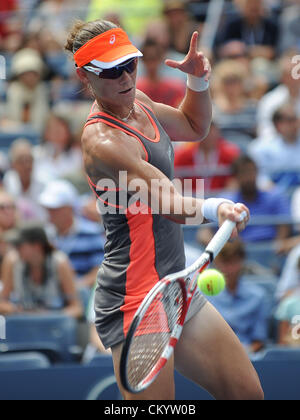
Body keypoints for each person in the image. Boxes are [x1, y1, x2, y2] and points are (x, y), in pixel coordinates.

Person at [65, 19, 263, 400]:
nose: (125, 77)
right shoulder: (102, 141)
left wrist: (198, 82)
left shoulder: (137, 102)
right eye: (110, 70)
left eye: (129, 64)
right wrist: (214, 205)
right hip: (136, 298)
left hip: (176, 284)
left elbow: (193, 124)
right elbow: (168, 203)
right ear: (84, 75)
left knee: (247, 395)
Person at [0, 224, 82, 318]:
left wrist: (48, 317)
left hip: (54, 327)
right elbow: (2, 303)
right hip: (23, 324)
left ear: (37, 246)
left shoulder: (60, 263)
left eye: (19, 245)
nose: (16, 249)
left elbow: (76, 308)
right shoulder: (12, 263)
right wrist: (18, 310)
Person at [38, 180, 105, 293]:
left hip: (82, 294)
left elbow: (99, 272)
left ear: (69, 208)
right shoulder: (45, 234)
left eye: (55, 209)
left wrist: (73, 287)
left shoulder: (92, 233)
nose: (50, 213)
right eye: (48, 209)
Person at [209, 241, 269, 353]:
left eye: (234, 262)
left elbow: (259, 340)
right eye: (225, 262)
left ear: (242, 261)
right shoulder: (203, 297)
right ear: (216, 263)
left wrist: (242, 354)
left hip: (247, 356)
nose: (230, 269)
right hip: (211, 355)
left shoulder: (257, 296)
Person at [174, 121, 240, 193]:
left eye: (213, 133)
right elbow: (175, 179)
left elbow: (236, 180)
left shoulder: (230, 155)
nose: (210, 137)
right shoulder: (183, 155)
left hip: (220, 199)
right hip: (191, 199)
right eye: (207, 134)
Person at [249, 104, 300, 188]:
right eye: (290, 120)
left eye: (296, 119)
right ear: (277, 125)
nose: (296, 123)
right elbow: (258, 177)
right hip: (273, 196)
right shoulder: (260, 148)